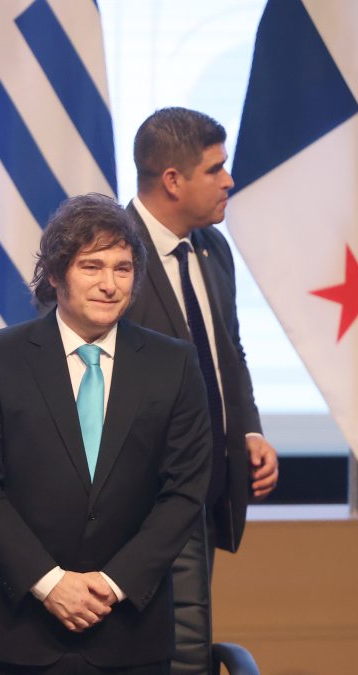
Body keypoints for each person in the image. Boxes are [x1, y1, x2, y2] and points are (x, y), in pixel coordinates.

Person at [0, 193, 211, 673]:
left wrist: (111, 585)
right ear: (54, 273)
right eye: (92, 266)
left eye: (123, 268)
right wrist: (50, 583)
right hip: (16, 633)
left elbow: (184, 492)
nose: (109, 284)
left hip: (131, 633)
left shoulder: (173, 363)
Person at [125, 107, 279, 558]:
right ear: (173, 180)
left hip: (210, 495)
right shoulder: (108, 255)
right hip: (139, 508)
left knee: (193, 627)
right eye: (215, 169)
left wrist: (248, 432)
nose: (229, 180)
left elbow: (229, 352)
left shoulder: (213, 249)